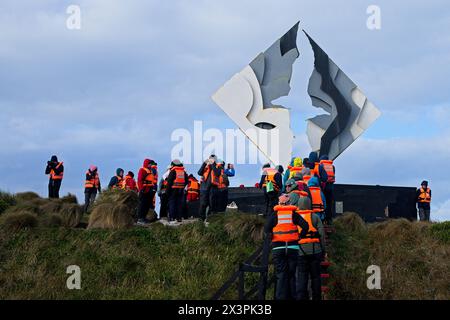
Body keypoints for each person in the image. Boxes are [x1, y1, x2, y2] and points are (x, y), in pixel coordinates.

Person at [264, 194, 309, 300]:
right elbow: (306, 226)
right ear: (289, 203)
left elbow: (266, 229)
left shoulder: (275, 215)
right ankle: (293, 297)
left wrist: (272, 236)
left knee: (281, 275)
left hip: (278, 248)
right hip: (293, 247)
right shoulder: (293, 214)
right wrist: (299, 237)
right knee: (292, 274)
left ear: (279, 203)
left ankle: (280, 297)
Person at [296, 201, 326, 301]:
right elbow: (322, 235)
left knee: (302, 278)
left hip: (300, 252)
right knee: (316, 278)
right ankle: (316, 297)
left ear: (299, 205)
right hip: (315, 250)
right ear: (309, 204)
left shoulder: (295, 217)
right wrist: (323, 250)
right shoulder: (315, 217)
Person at [198, 155, 221, 221]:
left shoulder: (218, 166)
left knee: (212, 204)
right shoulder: (205, 166)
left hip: (213, 188)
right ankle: (201, 219)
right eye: (210, 159)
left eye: (213, 159)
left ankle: (210, 219)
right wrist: (204, 163)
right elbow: (199, 172)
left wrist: (213, 164)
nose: (211, 160)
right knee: (203, 204)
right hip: (204, 188)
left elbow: (217, 173)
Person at [137, 159, 157, 226]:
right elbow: (139, 180)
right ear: (147, 163)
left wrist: (153, 189)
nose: (151, 165)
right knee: (142, 205)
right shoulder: (142, 170)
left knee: (147, 205)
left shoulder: (150, 170)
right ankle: (140, 218)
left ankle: (143, 218)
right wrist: (141, 189)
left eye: (151, 164)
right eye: (150, 163)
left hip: (149, 191)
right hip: (144, 190)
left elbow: (152, 181)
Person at [319, 155, 335, 224]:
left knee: (323, 203)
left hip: (324, 187)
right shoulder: (332, 167)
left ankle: (323, 218)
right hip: (330, 187)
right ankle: (329, 220)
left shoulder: (321, 166)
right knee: (329, 204)